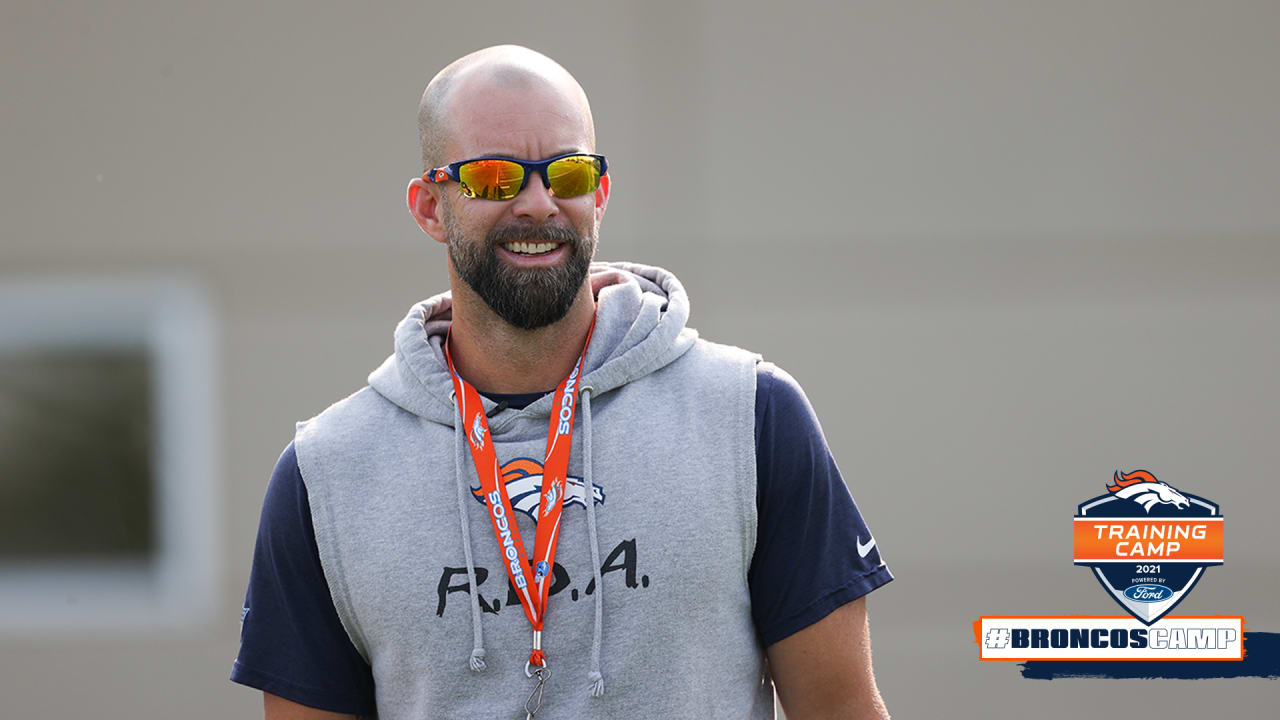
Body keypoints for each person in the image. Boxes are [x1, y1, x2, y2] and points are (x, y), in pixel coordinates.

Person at [231, 45, 893, 720]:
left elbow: (841, 709)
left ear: (599, 195)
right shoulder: (328, 475)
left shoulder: (751, 417)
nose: (539, 204)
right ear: (431, 207)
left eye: (568, 174)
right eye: (495, 179)